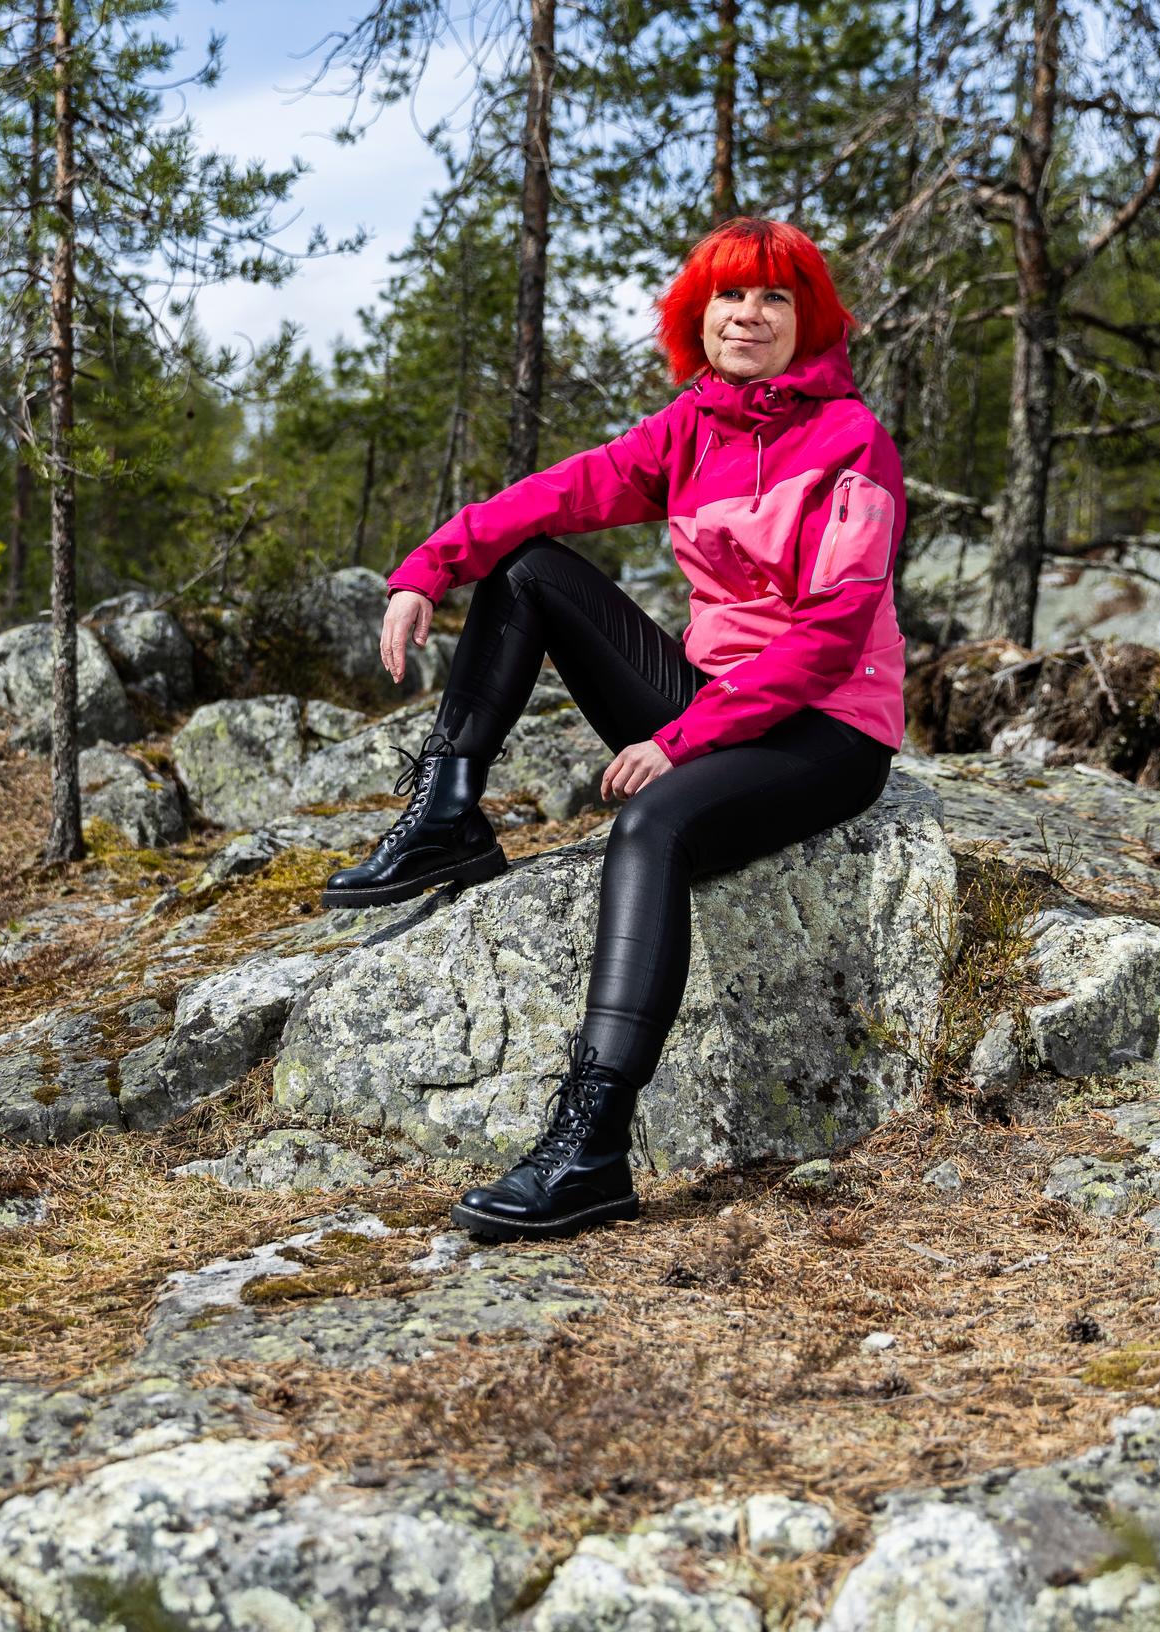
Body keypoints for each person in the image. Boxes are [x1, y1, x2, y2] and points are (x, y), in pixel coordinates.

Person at [321, 217, 907, 1243]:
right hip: (716, 701)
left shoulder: (852, 443)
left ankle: (591, 1147)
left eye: (775, 297)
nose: (750, 315)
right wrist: (429, 566)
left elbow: (828, 638)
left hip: (824, 729)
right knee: (526, 569)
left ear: (809, 321)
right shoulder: (691, 428)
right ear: (698, 317)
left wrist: (682, 741)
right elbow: (555, 493)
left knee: (652, 828)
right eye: (730, 296)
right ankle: (449, 811)